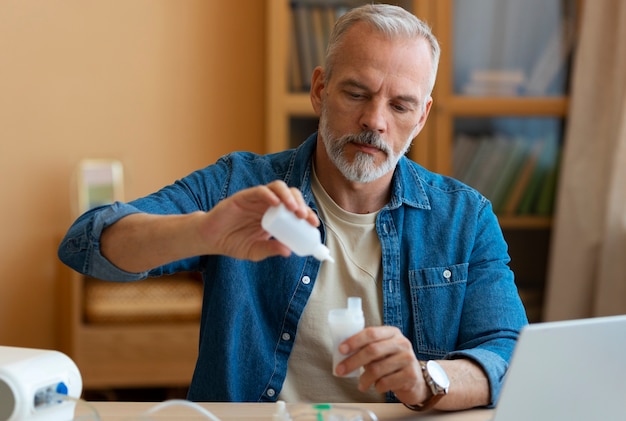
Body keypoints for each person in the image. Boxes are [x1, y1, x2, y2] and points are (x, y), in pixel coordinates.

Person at [58, 3, 527, 411]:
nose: (375, 121)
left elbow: (510, 353)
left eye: (400, 106)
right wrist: (204, 232)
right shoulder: (238, 185)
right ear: (320, 89)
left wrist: (427, 380)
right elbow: (89, 242)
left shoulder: (465, 219)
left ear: (422, 116)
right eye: (356, 93)